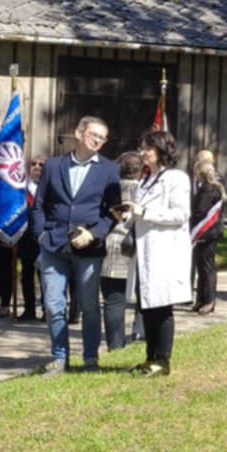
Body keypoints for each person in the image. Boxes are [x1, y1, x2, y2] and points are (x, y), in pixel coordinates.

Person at [33, 116, 122, 374]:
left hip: (89, 248)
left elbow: (113, 211)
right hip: (54, 245)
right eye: (94, 135)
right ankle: (60, 357)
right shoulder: (54, 165)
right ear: (79, 133)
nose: (98, 141)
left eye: (102, 138)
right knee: (53, 304)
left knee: (89, 306)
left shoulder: (109, 169)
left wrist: (94, 234)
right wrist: (41, 235)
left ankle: (90, 358)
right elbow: (39, 205)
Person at [130, 128, 192, 376]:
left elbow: (180, 214)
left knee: (162, 306)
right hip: (144, 250)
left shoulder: (176, 178)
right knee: (146, 305)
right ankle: (150, 358)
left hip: (164, 251)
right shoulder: (145, 181)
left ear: (161, 150)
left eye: (148, 148)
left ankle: (162, 360)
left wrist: (146, 213)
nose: (143, 153)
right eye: (142, 148)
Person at [92, 151, 143, 367]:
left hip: (111, 246)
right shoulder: (145, 189)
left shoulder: (107, 188)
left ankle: (115, 346)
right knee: (144, 298)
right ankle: (140, 337)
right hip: (138, 247)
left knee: (113, 301)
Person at [190, 154, 225, 313]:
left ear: (202, 174)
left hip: (208, 232)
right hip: (204, 233)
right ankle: (201, 299)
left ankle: (209, 301)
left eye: (197, 172)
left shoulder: (208, 189)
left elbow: (201, 211)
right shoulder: (207, 187)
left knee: (207, 267)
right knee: (201, 267)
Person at [14, 159, 44, 321]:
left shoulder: (49, 186)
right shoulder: (21, 189)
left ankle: (47, 309)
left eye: (41, 164)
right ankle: (29, 309)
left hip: (43, 236)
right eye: (33, 164)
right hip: (25, 236)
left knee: (44, 274)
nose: (37, 167)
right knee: (26, 274)